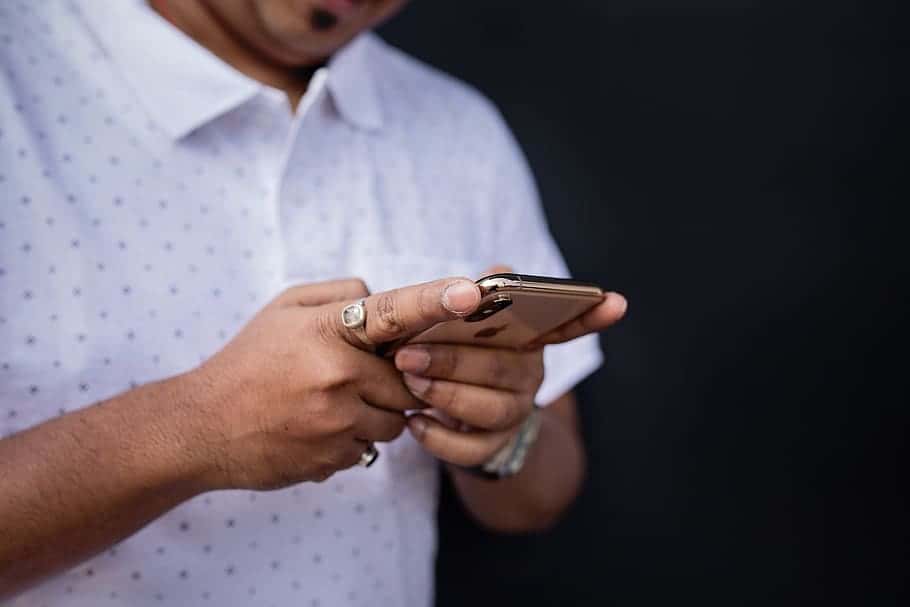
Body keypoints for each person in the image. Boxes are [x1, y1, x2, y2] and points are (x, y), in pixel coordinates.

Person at [0, 1, 627, 605]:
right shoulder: (20, 74)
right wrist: (197, 428)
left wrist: (501, 431)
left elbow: (540, 495)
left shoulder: (460, 129)